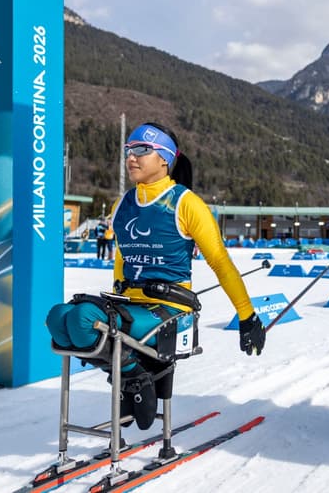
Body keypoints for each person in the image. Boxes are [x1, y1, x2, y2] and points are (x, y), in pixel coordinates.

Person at [46, 122, 266, 430]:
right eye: (128, 151)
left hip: (170, 310)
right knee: (58, 318)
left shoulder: (186, 203)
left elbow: (220, 262)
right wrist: (114, 304)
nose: (131, 158)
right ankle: (135, 376)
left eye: (141, 150)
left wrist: (248, 317)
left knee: (82, 319)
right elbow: (122, 260)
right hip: (131, 307)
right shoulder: (123, 203)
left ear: (164, 158)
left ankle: (134, 379)